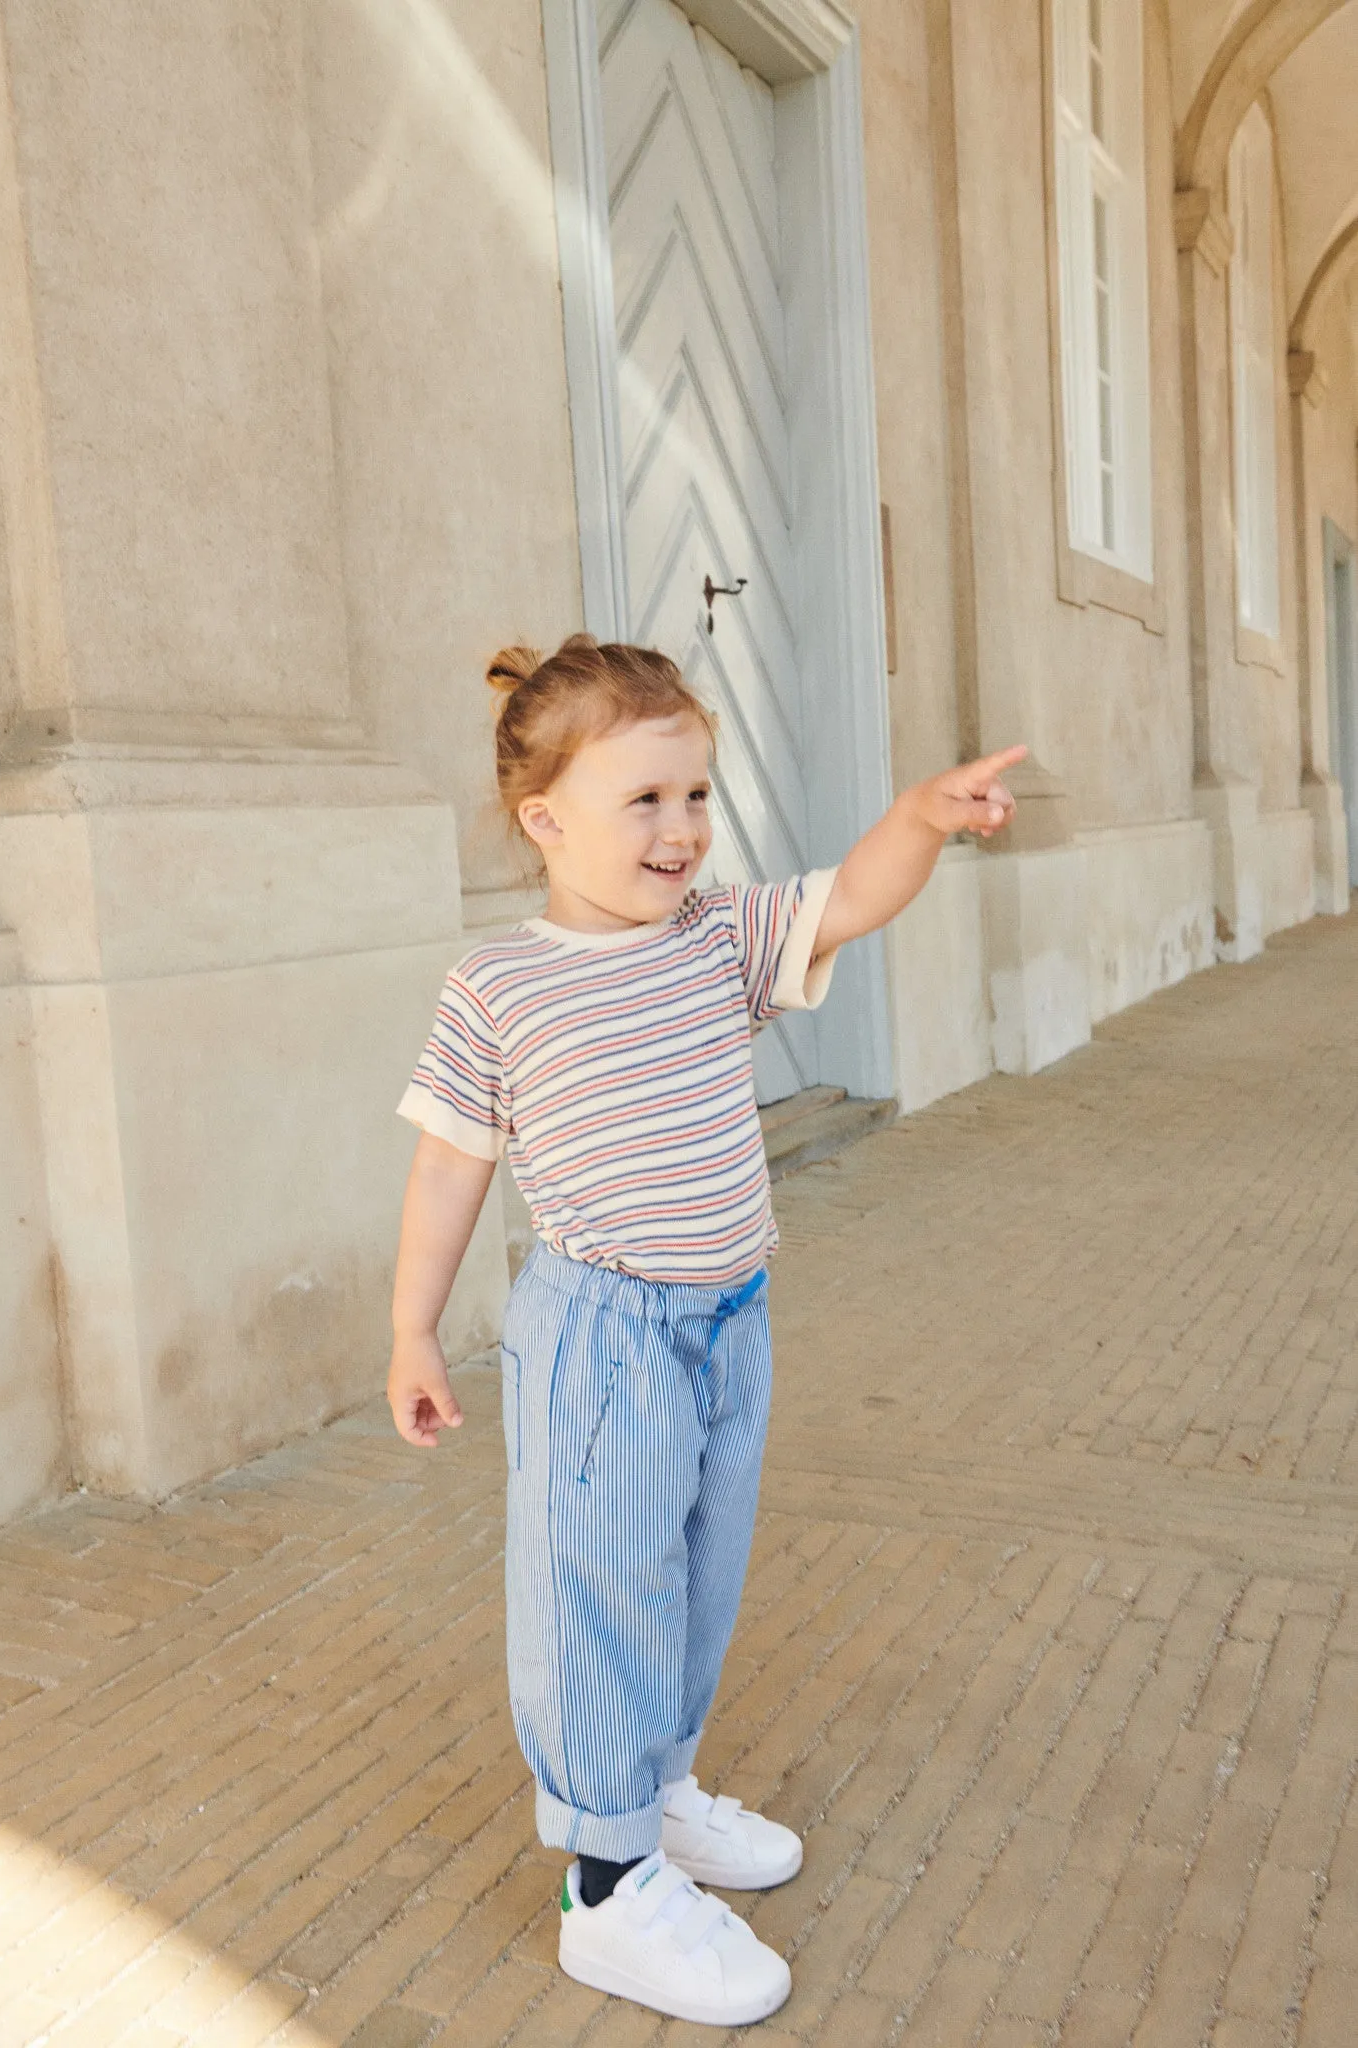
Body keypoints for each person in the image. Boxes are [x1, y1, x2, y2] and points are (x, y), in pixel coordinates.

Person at [387, 633, 1023, 2027]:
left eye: (695, 795)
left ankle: (658, 1792)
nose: (680, 832)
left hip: (730, 1320)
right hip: (602, 1342)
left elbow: (850, 899)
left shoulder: (717, 938)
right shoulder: (500, 988)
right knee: (600, 1592)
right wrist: (413, 1330)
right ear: (544, 819)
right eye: (644, 802)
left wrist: (918, 817)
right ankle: (607, 1889)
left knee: (694, 1574)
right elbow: (448, 1166)